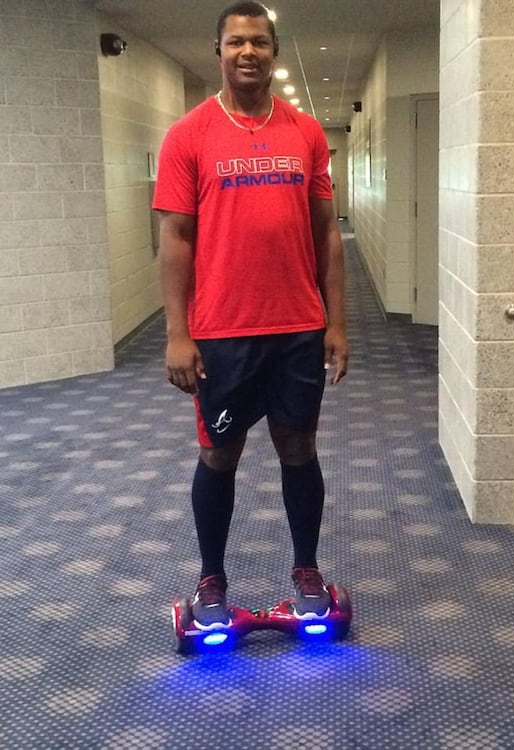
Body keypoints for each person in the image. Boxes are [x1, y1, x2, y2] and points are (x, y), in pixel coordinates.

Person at [152, 1, 348, 629]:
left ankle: (308, 571)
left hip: (296, 327)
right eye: (235, 42)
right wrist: (177, 333)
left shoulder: (306, 133)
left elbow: (327, 234)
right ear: (218, 52)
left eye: (259, 42)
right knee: (219, 455)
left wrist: (337, 323)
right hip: (222, 333)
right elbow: (175, 238)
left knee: (299, 447)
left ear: (274, 52)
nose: (247, 52)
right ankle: (212, 579)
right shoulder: (189, 135)